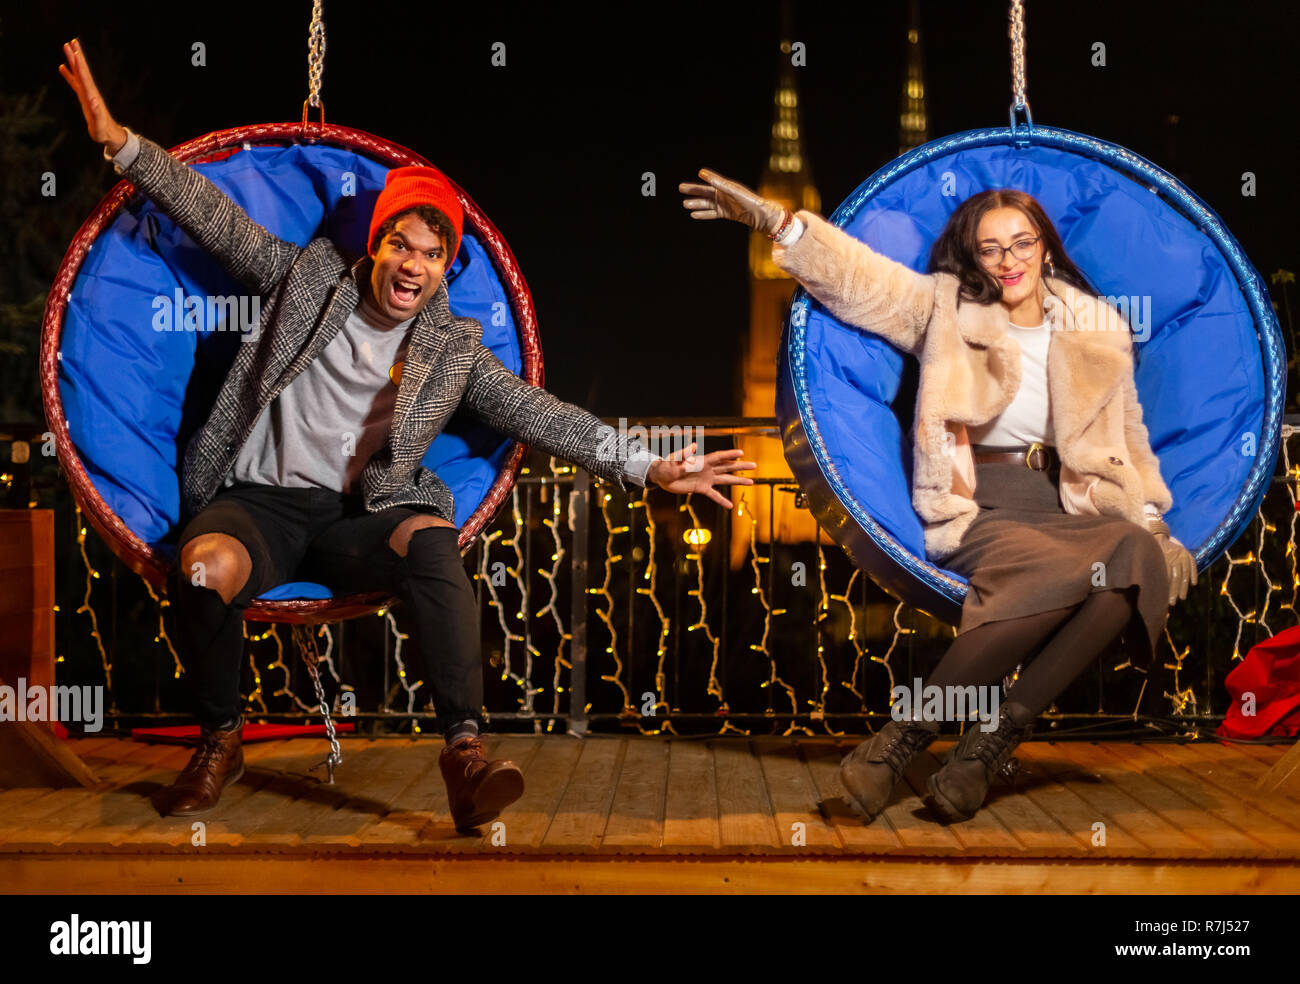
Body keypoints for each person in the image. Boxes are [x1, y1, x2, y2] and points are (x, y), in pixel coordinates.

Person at [59, 39, 755, 830]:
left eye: (432, 254)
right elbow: (213, 217)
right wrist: (120, 142)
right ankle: (221, 738)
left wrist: (646, 466)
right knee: (200, 570)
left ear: (446, 267)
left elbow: (540, 413)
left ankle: (465, 759)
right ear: (377, 244)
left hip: (355, 518)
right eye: (400, 244)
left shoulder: (453, 348)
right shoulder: (308, 278)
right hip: (255, 503)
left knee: (431, 540)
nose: (412, 265)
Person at [680, 168, 1196, 824]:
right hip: (980, 503)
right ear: (972, 255)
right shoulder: (944, 309)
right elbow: (860, 279)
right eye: (991, 247)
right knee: (1087, 571)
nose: (1009, 260)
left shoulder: (1097, 328)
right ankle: (912, 745)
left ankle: (980, 747)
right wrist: (777, 223)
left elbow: (1125, 444)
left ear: (1046, 245)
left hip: (1066, 506)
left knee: (1132, 558)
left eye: (1022, 242)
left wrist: (1153, 524)